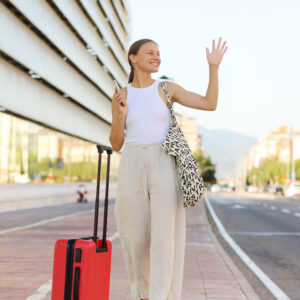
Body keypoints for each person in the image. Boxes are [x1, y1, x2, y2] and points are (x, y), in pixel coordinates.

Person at [109, 37, 227, 300]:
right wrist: (119, 115)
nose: (156, 57)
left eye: (159, 53)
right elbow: (116, 142)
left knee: (163, 238)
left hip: (163, 160)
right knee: (134, 237)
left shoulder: (165, 89)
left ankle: (161, 296)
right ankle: (143, 294)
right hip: (131, 163)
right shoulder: (122, 95)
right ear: (133, 58)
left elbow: (209, 103)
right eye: (150, 52)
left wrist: (213, 68)